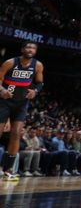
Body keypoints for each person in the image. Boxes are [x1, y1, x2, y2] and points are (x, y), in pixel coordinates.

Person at [0, 41, 44, 181]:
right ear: (22, 49)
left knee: (16, 134)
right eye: (28, 47)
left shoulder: (37, 65)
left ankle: (8, 170)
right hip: (4, 102)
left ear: (35, 51)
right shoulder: (10, 62)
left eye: (33, 48)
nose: (30, 49)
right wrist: (1, 90)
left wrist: (35, 91)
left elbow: (39, 83)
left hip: (21, 104)